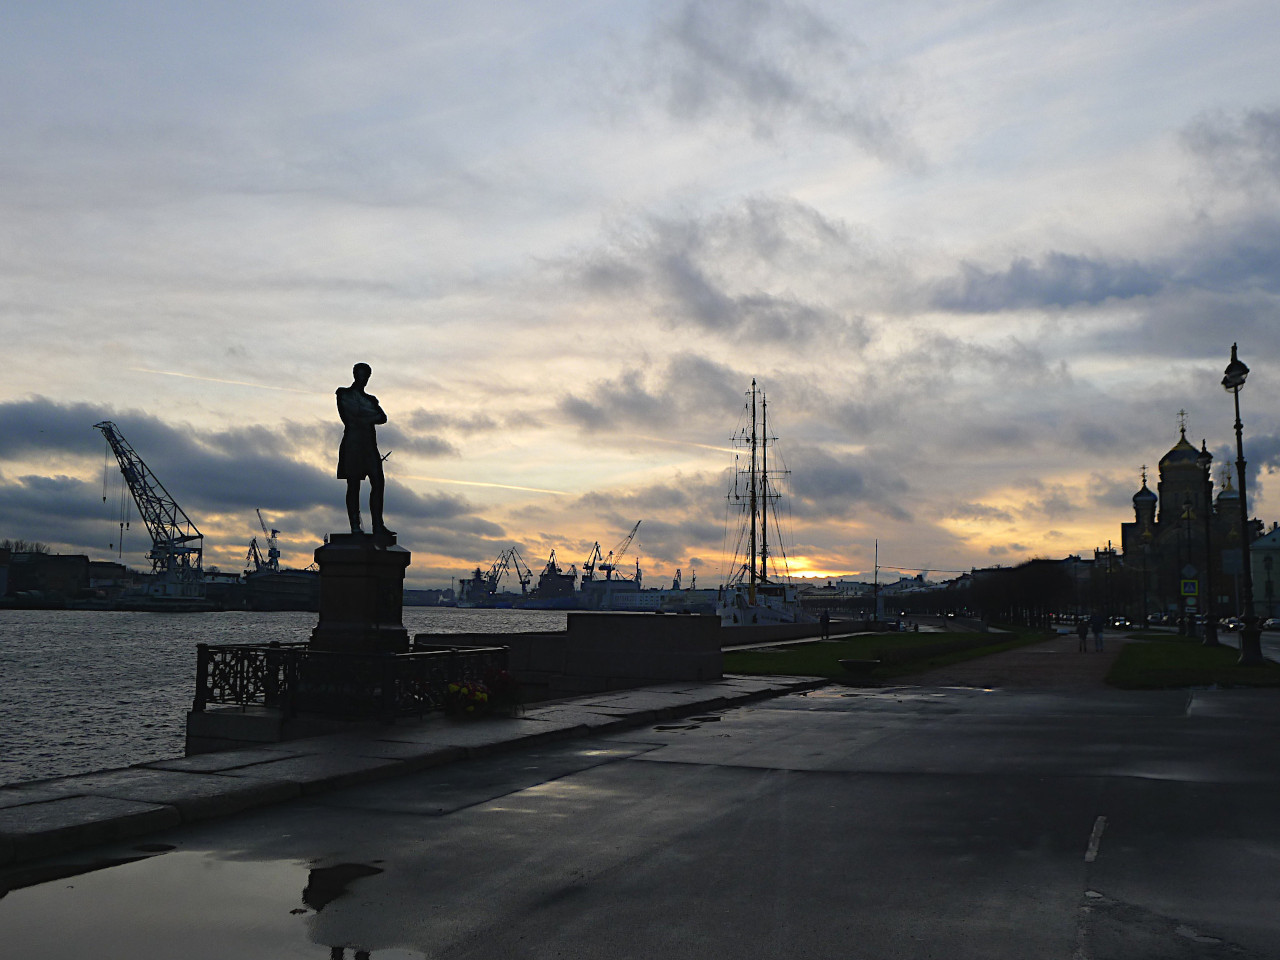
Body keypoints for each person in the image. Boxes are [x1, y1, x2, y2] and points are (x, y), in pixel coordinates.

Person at [336, 362, 393, 537]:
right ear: (354, 375)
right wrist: (368, 415)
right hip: (353, 444)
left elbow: (383, 417)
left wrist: (362, 414)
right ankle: (355, 525)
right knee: (353, 485)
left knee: (378, 482)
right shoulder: (343, 393)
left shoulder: (371, 400)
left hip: (369, 446)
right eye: (360, 375)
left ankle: (378, 525)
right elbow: (349, 415)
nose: (363, 379)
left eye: (366, 376)